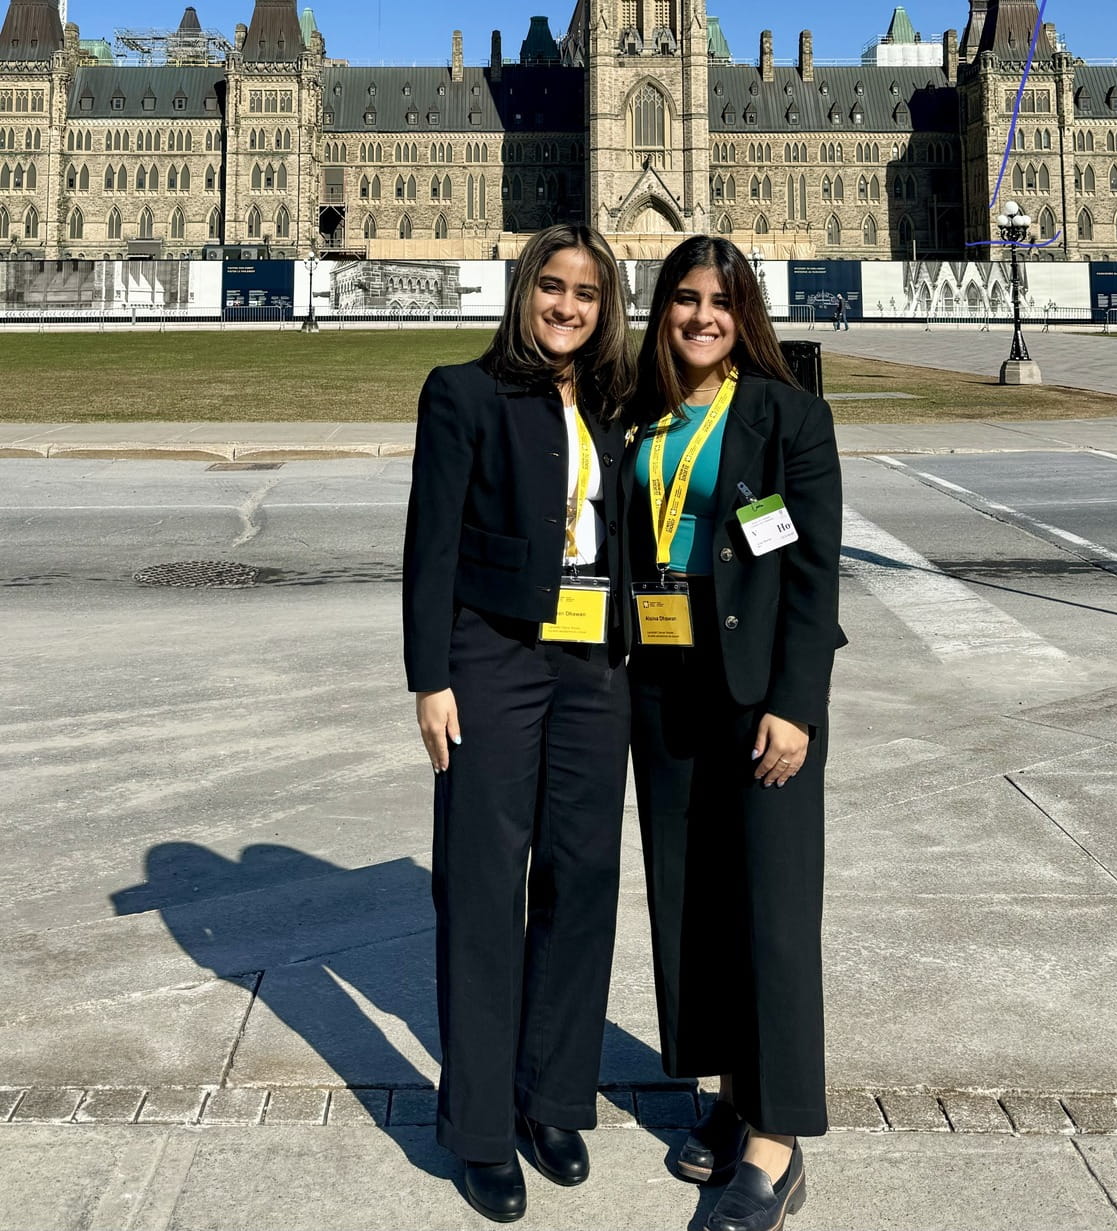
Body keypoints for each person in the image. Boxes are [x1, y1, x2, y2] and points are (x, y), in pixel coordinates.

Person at [402, 224, 636, 1223]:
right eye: (552, 286)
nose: (567, 306)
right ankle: (481, 1127)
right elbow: (430, 542)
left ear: (605, 306)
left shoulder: (621, 405)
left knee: (582, 879)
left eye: (586, 292)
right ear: (523, 291)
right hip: (493, 654)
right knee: (484, 885)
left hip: (595, 664)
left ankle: (552, 1097)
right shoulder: (463, 393)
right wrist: (431, 678)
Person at [623, 236, 845, 1231]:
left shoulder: (787, 415)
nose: (701, 316)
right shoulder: (643, 415)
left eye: (720, 300)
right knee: (694, 899)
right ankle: (729, 1093)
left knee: (773, 911)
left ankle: (776, 1141)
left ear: (744, 312)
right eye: (684, 298)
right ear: (662, 308)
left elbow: (812, 571)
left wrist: (796, 704)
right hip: (665, 678)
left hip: (759, 689)